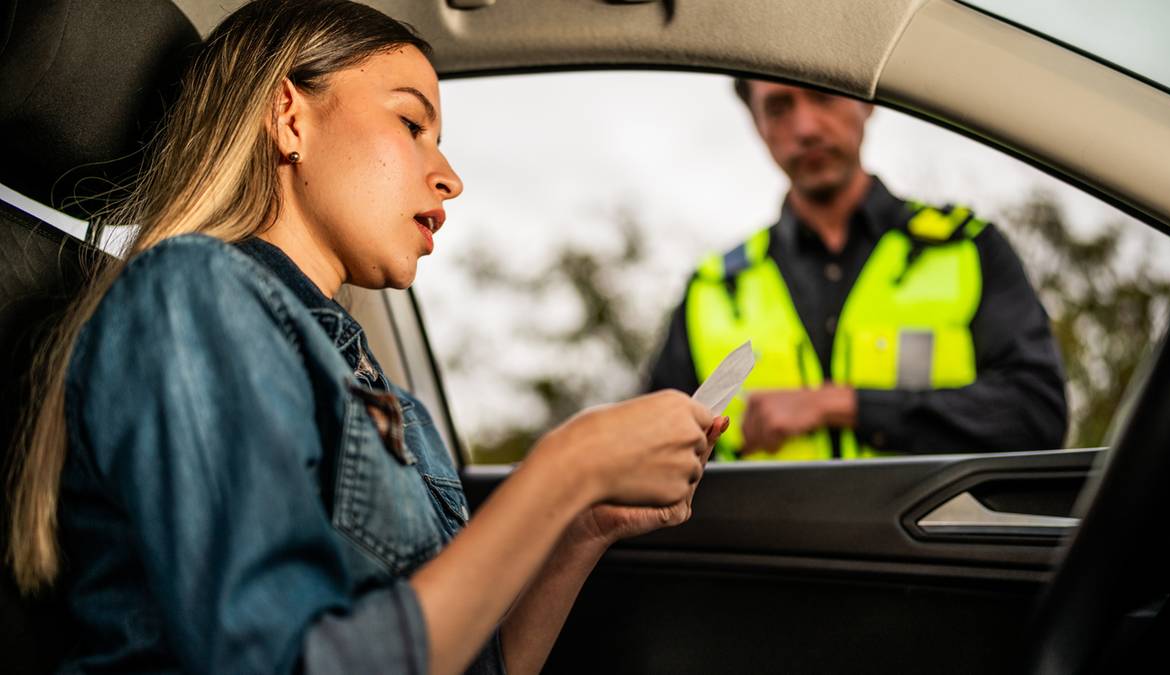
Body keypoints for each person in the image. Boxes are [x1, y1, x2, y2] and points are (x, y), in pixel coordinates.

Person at [5, 2, 728, 673]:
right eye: (412, 125)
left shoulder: (393, 404)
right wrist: (569, 465)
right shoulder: (192, 293)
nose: (449, 178)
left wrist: (584, 524)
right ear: (290, 118)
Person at [648, 79, 1067, 461]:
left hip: (941, 545)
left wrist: (839, 405)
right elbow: (652, 454)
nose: (806, 127)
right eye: (778, 108)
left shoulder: (968, 248)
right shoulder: (712, 289)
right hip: (764, 544)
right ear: (757, 124)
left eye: (823, 95)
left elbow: (1036, 415)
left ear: (867, 101)